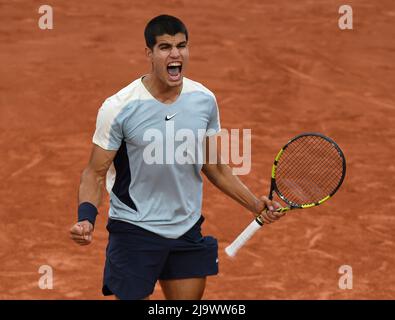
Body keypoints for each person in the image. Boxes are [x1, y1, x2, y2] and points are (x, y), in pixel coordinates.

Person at [69, 14, 285, 300]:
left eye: (181, 46)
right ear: (149, 53)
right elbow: (95, 173)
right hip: (135, 229)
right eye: (165, 47)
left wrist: (255, 204)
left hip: (186, 228)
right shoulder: (119, 107)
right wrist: (86, 218)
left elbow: (214, 167)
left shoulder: (204, 100)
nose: (175, 54)